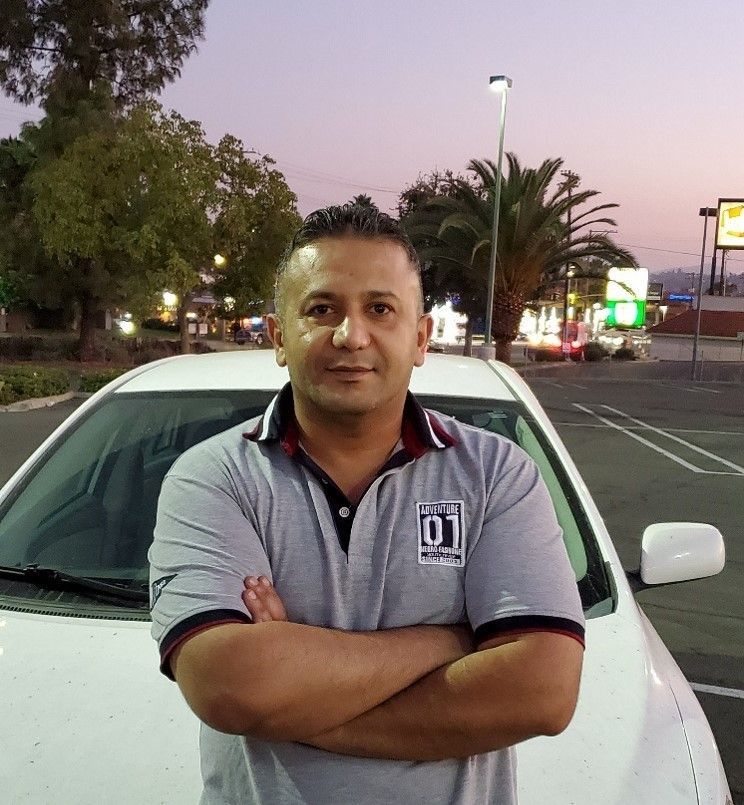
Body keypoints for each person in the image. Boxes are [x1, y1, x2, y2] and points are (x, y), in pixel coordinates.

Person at [149, 204, 585, 805]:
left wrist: (295, 697)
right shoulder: (214, 477)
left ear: (421, 338)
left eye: (379, 309)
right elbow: (231, 688)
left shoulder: (496, 474)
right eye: (321, 309)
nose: (351, 336)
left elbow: (541, 693)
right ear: (279, 337)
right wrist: (451, 640)